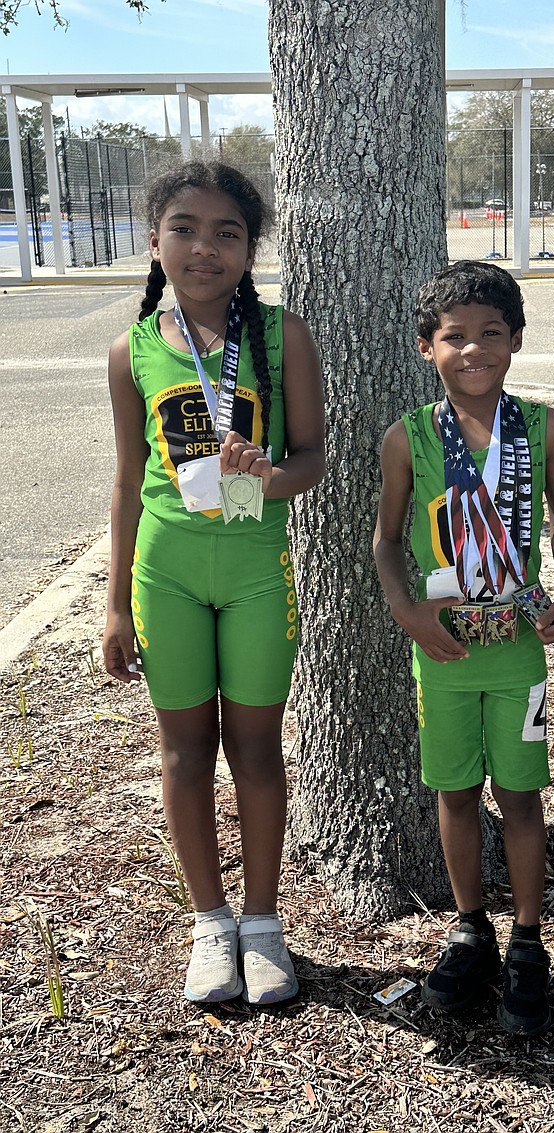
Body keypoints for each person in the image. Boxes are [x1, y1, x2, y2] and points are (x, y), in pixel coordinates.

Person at [102, 161, 325, 1004]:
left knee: (257, 748)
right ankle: (210, 921)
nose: (205, 247)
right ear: (155, 242)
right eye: (185, 229)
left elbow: (312, 458)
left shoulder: (279, 337)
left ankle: (263, 923)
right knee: (185, 751)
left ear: (249, 247)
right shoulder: (133, 349)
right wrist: (116, 601)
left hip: (256, 568)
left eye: (227, 231)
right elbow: (129, 481)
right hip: (168, 571)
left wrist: (265, 480)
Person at [373, 261, 554, 1035]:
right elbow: (387, 540)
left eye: (490, 333)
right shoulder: (408, 437)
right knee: (456, 791)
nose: (473, 349)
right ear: (428, 346)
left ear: (516, 339)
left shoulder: (546, 427)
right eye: (454, 336)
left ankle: (528, 940)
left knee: (520, 795)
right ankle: (471, 928)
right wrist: (405, 611)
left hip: (518, 649)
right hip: (445, 653)